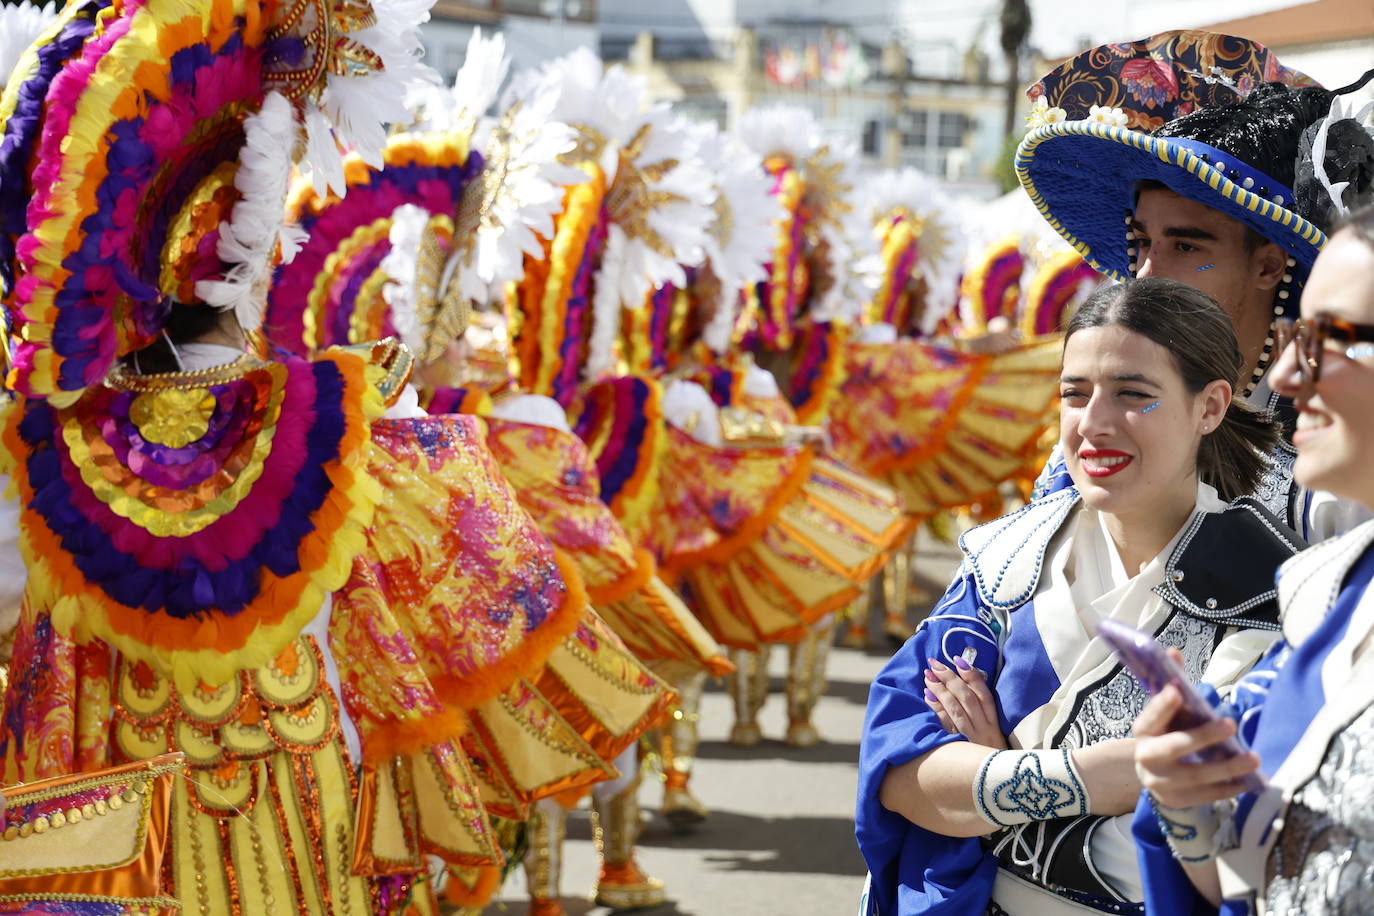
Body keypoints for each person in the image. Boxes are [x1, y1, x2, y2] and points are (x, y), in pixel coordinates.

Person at [856, 277, 1304, 915]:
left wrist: (989, 782)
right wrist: (1102, 777)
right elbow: (899, 775)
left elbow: (1213, 846)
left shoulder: (1272, 588)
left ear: (1210, 407)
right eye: (1075, 393)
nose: (1093, 424)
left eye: (1133, 395)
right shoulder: (1006, 560)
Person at [1018, 30, 1374, 540]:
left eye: (1186, 247)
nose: (1145, 274)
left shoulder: (1330, 439)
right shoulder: (1101, 419)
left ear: (1269, 266)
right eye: (1140, 244)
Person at [1132, 204, 1374, 913]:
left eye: (1330, 338)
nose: (1291, 374)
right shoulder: (1325, 591)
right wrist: (1185, 802)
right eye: (1297, 334)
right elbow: (1258, 878)